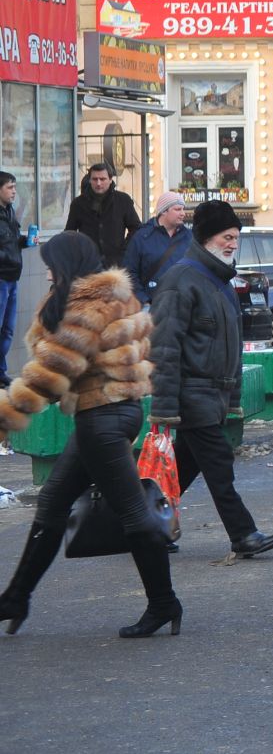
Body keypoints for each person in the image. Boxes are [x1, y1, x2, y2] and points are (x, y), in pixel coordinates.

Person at [0, 232, 179, 637]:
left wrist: (5, 417)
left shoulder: (82, 308)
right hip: (116, 411)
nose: (46, 270)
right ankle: (16, 596)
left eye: (50, 263)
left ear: (65, 265)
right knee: (51, 503)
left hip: (102, 418)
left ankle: (165, 603)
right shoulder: (116, 297)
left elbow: (49, 377)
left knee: (134, 513)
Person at [149, 200, 273, 560]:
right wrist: (164, 408)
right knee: (219, 468)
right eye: (227, 237)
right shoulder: (180, 280)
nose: (232, 244)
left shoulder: (221, 281)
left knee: (182, 468)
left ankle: (136, 524)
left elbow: (232, 348)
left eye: (236, 238)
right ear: (207, 238)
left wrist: (234, 398)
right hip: (192, 395)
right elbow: (164, 348)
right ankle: (243, 535)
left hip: (213, 395)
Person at [123, 192, 194, 307]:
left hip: (183, 306)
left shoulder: (190, 237)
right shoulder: (142, 237)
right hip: (151, 306)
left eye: (183, 209)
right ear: (164, 211)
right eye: (177, 209)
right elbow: (129, 272)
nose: (183, 214)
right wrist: (144, 300)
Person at [64, 164, 141, 268]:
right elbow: (69, 232)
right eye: (95, 179)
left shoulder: (123, 200)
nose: (98, 183)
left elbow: (136, 228)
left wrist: (125, 249)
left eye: (102, 179)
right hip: (88, 264)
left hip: (117, 264)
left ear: (110, 179)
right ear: (90, 180)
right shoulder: (78, 203)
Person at [0, 172, 26, 387]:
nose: (14, 191)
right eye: (10, 187)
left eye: (14, 187)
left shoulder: (9, 213)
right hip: (1, 277)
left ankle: (1, 372)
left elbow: (12, 241)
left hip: (12, 278)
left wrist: (25, 241)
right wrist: (9, 257)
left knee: (8, 329)